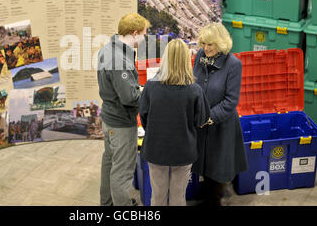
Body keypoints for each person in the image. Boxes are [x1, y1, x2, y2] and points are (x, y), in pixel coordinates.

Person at [139, 39, 210, 206]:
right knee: (178, 197)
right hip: (183, 149)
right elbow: (202, 120)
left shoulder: (150, 87)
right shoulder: (195, 90)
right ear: (187, 60)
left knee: (157, 196)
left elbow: (143, 117)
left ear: (166, 58)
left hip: (156, 148)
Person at [191, 23, 248, 206]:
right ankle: (208, 195)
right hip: (201, 122)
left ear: (221, 44)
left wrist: (210, 117)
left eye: (211, 44)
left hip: (221, 124)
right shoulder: (200, 56)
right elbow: (194, 84)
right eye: (204, 44)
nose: (206, 48)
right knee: (204, 164)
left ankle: (214, 200)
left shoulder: (233, 64)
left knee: (218, 167)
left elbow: (231, 101)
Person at [97, 12, 150, 206]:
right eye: (144, 34)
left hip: (109, 119)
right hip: (121, 124)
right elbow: (129, 98)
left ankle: (108, 204)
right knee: (122, 173)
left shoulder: (107, 49)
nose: (145, 38)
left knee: (109, 164)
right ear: (134, 33)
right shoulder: (120, 61)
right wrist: (148, 92)